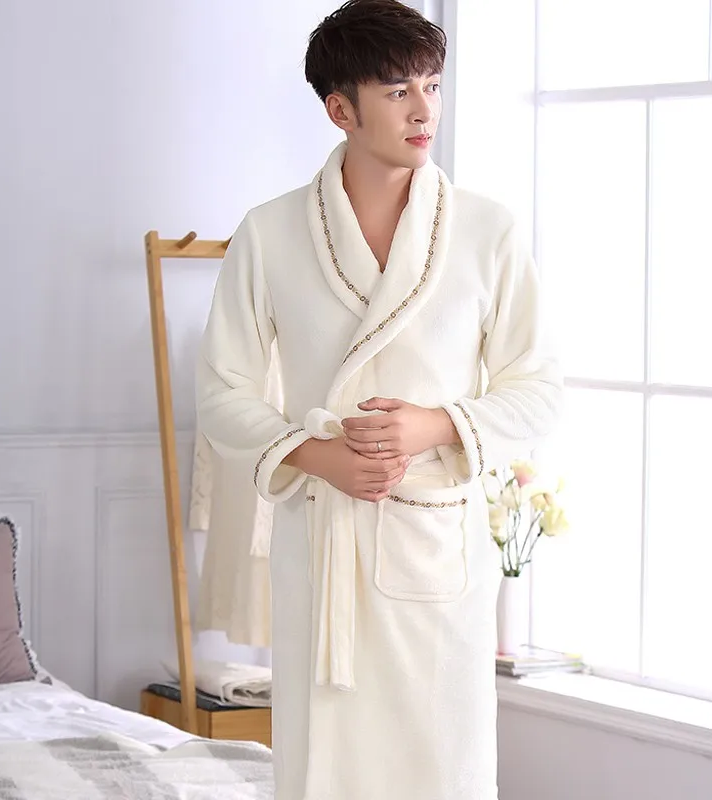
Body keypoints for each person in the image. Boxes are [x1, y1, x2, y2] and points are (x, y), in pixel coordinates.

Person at [196, 1, 563, 797]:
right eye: (398, 91)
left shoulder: (487, 233)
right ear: (341, 109)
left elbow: (539, 392)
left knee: (439, 767)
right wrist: (317, 456)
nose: (424, 109)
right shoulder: (271, 233)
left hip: (435, 551)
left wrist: (436, 425)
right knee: (326, 770)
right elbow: (222, 391)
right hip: (322, 546)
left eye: (432, 84)